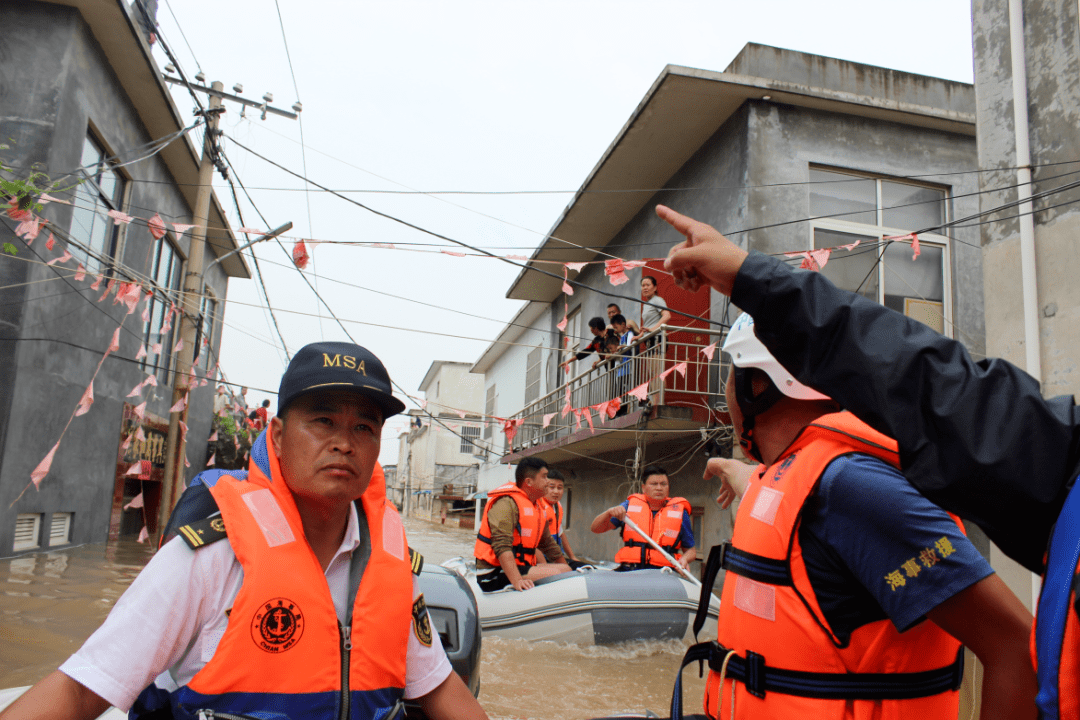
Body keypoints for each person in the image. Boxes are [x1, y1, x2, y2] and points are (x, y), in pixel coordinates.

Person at [657, 205, 1041, 718]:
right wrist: (735, 471)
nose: (723, 391)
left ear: (757, 386)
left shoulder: (854, 487)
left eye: (731, 372)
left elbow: (1016, 645)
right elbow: (788, 513)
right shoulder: (793, 473)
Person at [0, 341, 489, 720]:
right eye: (322, 421)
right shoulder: (212, 556)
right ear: (277, 436)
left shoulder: (391, 565)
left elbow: (439, 688)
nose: (344, 442)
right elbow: (83, 689)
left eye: (364, 428)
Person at [474, 457, 571, 592]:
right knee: (561, 573)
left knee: (565, 569)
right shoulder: (507, 503)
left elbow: (548, 544)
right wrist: (517, 581)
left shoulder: (537, 506)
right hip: (492, 573)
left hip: (521, 565)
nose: (548, 481)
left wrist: (571, 574)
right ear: (529, 482)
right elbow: (501, 545)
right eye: (544, 477)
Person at [590, 465, 696, 571]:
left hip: (663, 573)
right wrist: (608, 513)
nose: (659, 488)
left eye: (663, 484)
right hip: (631, 570)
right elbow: (596, 528)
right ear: (643, 487)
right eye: (654, 484)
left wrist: (684, 559)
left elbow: (691, 551)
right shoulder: (629, 506)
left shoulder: (680, 513)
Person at [538, 469, 580, 567]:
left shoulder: (557, 506)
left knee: (583, 567)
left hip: (556, 557)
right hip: (541, 560)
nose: (556, 491)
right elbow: (533, 544)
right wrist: (545, 566)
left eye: (559, 487)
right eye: (551, 487)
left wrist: (572, 557)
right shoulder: (537, 507)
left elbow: (560, 533)